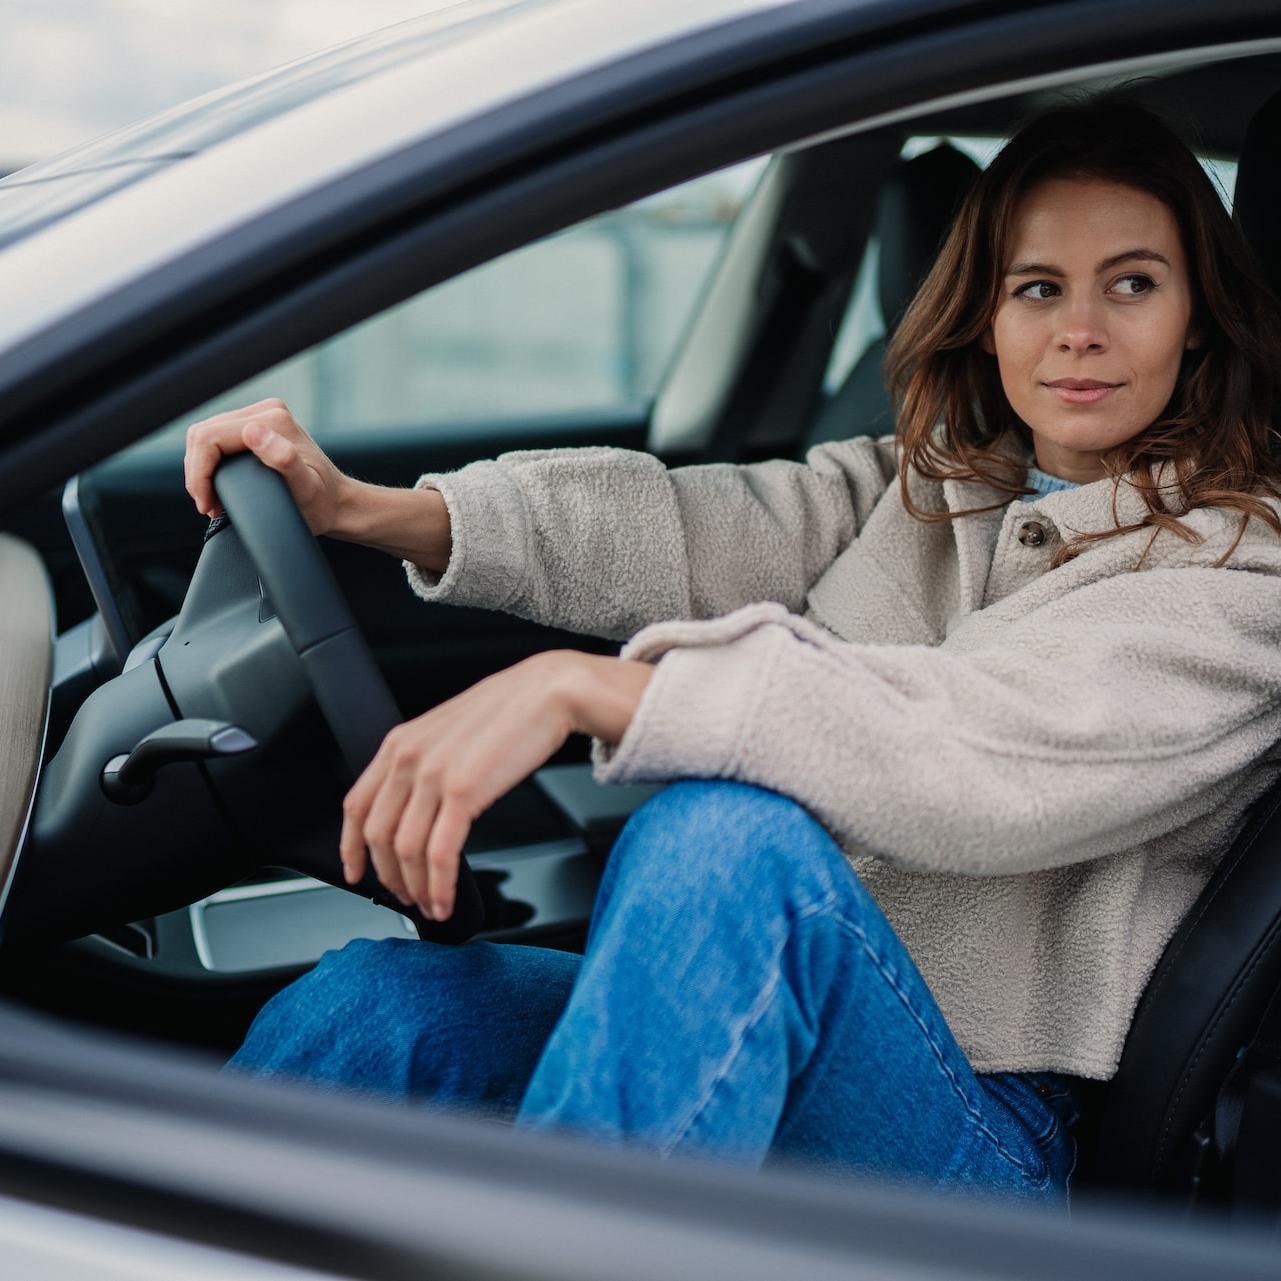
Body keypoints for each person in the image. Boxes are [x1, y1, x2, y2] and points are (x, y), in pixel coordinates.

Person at [182, 96, 1281, 1204]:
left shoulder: (1241, 576)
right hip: (795, 1016)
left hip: (994, 1139)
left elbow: (971, 742)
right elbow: (690, 528)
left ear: (1195, 316)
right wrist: (370, 511)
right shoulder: (937, 484)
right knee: (378, 1014)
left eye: (1131, 284)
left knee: (729, 843)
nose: (1079, 328)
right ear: (986, 315)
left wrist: (585, 688)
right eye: (1038, 287)